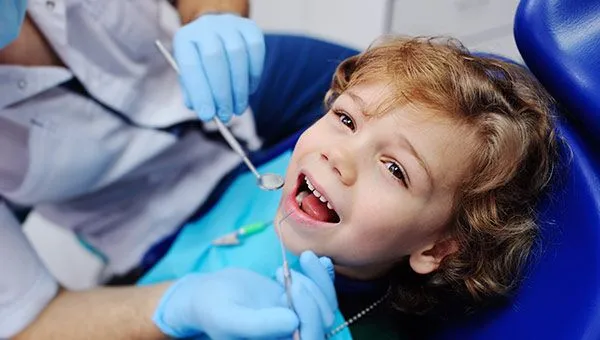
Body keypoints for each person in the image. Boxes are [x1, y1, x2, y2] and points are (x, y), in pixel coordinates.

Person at [140, 36, 561, 339]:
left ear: (435, 249)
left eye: (395, 169)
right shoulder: (288, 154)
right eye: (346, 120)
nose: (338, 157)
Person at [0, 0, 358, 338]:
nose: (340, 162)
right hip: (153, 221)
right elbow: (28, 320)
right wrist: (179, 305)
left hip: (243, 94)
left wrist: (212, 14)